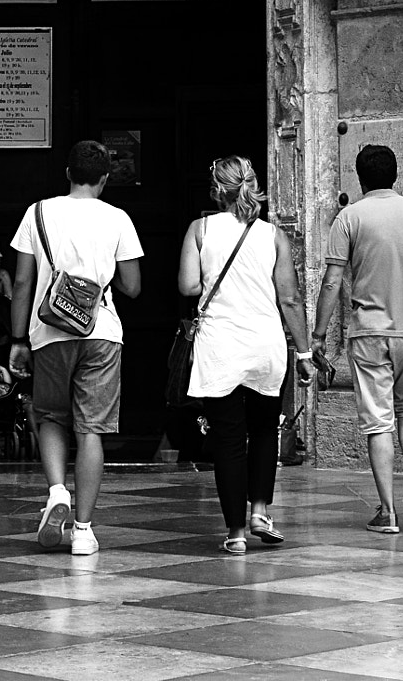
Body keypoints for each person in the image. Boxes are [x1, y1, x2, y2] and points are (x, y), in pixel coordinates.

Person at [10, 138, 143, 556]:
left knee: (49, 415)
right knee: (91, 430)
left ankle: (56, 492)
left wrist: (16, 339)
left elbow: (21, 282)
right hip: (101, 331)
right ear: (105, 178)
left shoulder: (38, 212)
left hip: (49, 331)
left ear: (67, 173)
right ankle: (83, 530)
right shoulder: (118, 218)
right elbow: (133, 287)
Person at [311, 143, 403, 535]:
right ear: (395, 174)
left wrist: (319, 335)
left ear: (360, 177)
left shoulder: (349, 217)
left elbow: (332, 281)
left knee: (378, 422)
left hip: (370, 332)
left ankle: (387, 513)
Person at [177, 156, 313, 554]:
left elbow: (187, 286)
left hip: (220, 347)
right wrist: (303, 352)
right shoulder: (272, 235)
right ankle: (260, 510)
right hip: (264, 345)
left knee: (229, 439)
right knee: (264, 430)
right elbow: (289, 298)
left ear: (217, 189)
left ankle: (236, 532)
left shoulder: (199, 229)